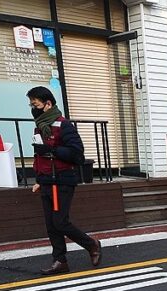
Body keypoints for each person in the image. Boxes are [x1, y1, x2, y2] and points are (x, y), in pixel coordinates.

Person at [27, 86, 100, 276]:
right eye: (31, 105)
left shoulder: (64, 125)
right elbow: (39, 157)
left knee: (60, 222)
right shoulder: (40, 126)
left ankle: (91, 244)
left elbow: (77, 154)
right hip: (46, 180)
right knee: (51, 225)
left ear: (48, 104)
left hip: (61, 180)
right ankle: (60, 261)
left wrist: (52, 150)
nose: (33, 108)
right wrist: (38, 179)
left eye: (35, 104)